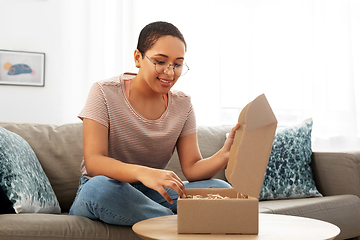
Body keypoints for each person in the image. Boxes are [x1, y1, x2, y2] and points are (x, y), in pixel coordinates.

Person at [69, 21, 239, 226]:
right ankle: (180, 224)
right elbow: (95, 162)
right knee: (99, 189)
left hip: (152, 193)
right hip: (106, 189)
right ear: (138, 58)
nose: (170, 72)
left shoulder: (183, 104)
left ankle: (163, 221)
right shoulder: (104, 91)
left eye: (177, 64)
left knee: (221, 190)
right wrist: (145, 173)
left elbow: (192, 168)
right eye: (160, 61)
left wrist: (225, 155)